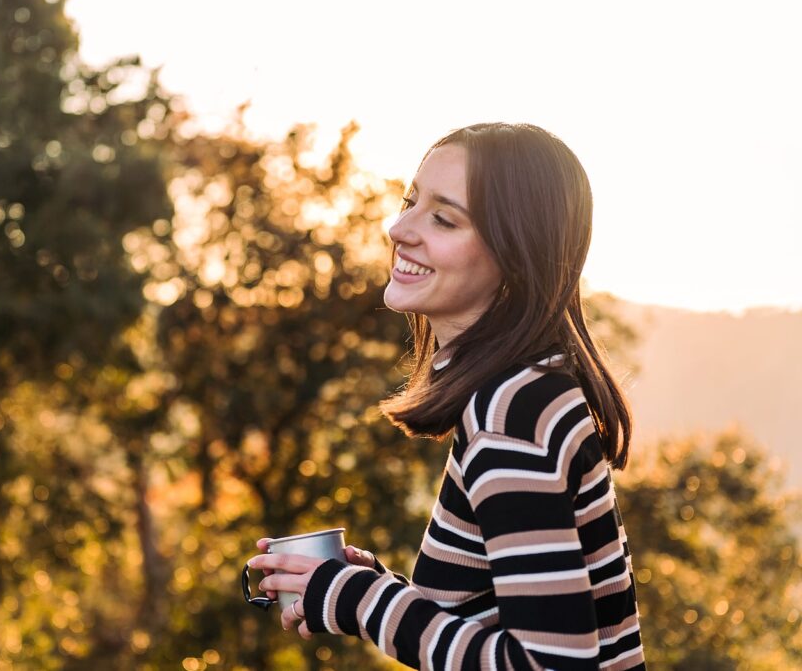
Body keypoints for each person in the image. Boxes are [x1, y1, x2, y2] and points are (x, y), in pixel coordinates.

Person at [247, 122, 647, 669]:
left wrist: (361, 600)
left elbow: (552, 664)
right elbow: (496, 626)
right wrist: (363, 585)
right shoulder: (526, 392)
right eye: (410, 202)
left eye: (443, 218)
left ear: (515, 254)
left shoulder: (511, 415)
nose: (398, 228)